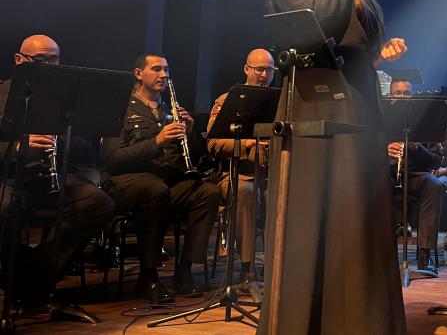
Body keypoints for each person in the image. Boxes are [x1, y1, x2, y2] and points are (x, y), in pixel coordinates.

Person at [262, 0, 408, 333]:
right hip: (314, 107)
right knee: (322, 211)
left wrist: (380, 55)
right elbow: (314, 24)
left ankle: (359, 321)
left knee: (357, 214)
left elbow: (354, 44)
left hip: (361, 107)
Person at [0, 35, 116, 310]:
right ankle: (19, 278)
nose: (49, 66)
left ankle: (34, 275)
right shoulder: (2, 93)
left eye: (54, 60)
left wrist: (62, 138)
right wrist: (17, 147)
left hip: (47, 177)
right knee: (3, 208)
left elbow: (87, 148)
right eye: (40, 60)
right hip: (8, 175)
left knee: (99, 204)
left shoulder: (65, 99)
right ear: (19, 60)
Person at [100, 54, 221, 303]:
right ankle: (148, 276)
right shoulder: (121, 108)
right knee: (155, 191)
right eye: (156, 69)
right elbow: (112, 158)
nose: (163, 75)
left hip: (165, 183)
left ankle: (185, 271)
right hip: (128, 182)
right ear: (138, 74)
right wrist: (156, 141)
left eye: (166, 70)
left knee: (207, 192)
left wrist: (191, 132)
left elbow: (194, 156)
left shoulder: (169, 110)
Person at [205, 48, 275, 286]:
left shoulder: (279, 104)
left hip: (270, 175)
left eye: (270, 70)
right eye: (260, 69)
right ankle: (247, 268)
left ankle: (276, 266)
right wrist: (247, 144)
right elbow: (213, 143)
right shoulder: (227, 101)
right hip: (235, 173)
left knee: (286, 195)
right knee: (246, 194)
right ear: (247, 69)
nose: (265, 75)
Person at [386, 78, 447, 274]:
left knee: (433, 185)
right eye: (397, 93)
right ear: (389, 96)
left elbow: (434, 160)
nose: (402, 97)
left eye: (406, 93)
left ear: (412, 97)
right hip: (384, 174)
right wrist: (382, 149)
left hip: (414, 175)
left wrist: (415, 146)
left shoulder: (424, 121)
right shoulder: (379, 119)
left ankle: (424, 255)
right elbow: (362, 149)